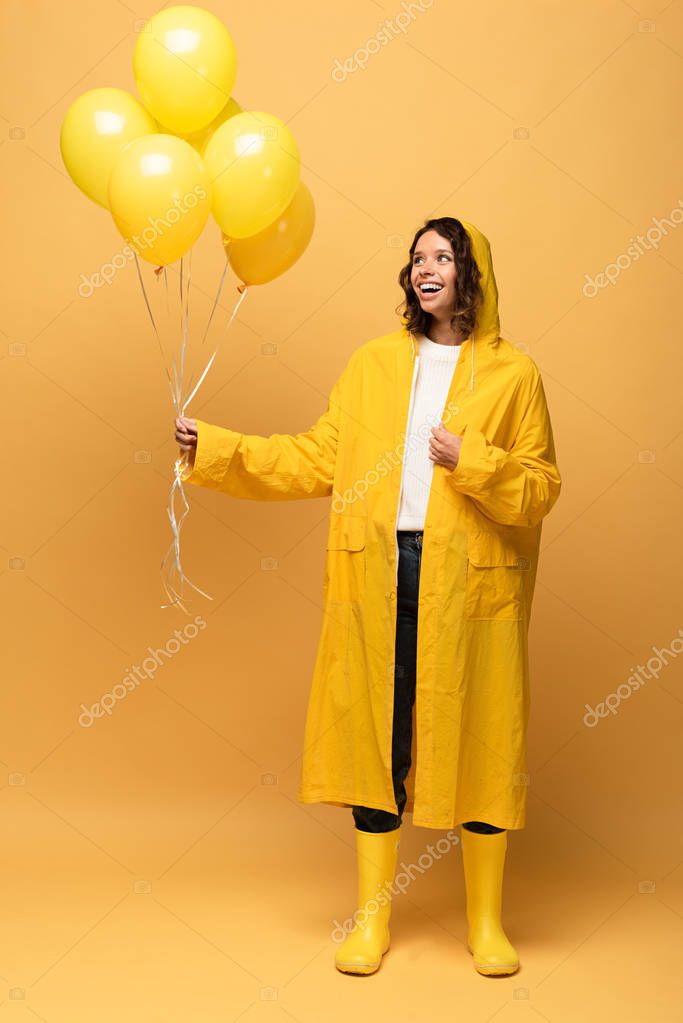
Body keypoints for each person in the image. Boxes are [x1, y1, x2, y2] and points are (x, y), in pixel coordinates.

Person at [175, 217, 562, 978]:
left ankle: (485, 924)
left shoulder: (514, 375)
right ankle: (372, 922)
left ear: (470, 272)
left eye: (442, 257)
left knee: (482, 738)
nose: (426, 268)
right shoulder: (372, 365)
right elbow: (315, 457)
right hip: (379, 572)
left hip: (471, 581)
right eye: (417, 257)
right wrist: (217, 449)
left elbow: (539, 490)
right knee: (375, 740)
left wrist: (471, 459)